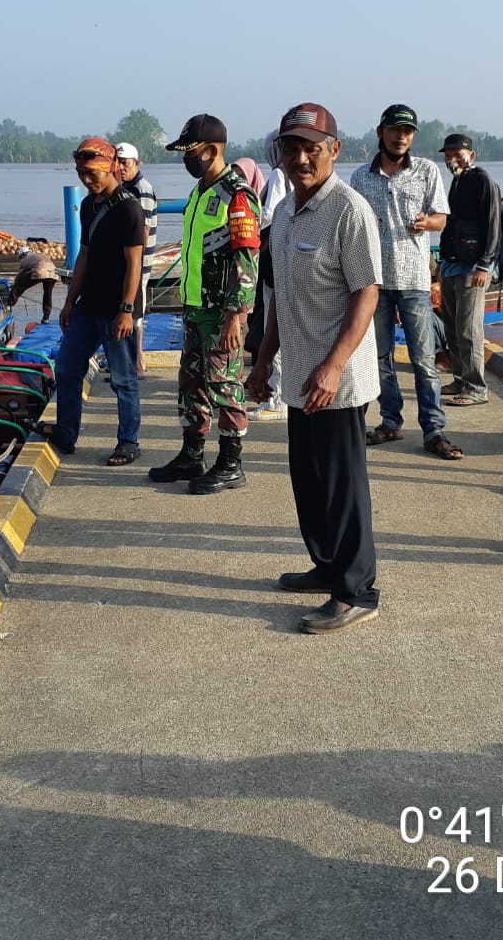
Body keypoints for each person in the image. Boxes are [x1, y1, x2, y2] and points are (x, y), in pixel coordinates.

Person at [245, 102, 382, 635]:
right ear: (278, 152)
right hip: (299, 375)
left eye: (312, 148)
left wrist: (332, 365)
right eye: (291, 147)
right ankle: (326, 567)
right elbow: (278, 296)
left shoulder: (349, 209)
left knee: (343, 486)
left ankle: (357, 590)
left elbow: (367, 293)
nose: (301, 158)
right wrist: (263, 363)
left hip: (338, 380)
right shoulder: (281, 215)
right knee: (310, 480)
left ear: (334, 151)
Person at [148, 114, 261, 495]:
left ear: (212, 151)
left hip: (222, 313)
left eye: (189, 152)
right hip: (195, 307)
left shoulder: (237, 195)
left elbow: (247, 261)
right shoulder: (200, 192)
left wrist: (236, 316)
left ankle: (231, 463)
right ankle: (191, 453)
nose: (185, 159)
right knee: (191, 383)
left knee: (225, 385)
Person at [349, 103, 459, 460]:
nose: (401, 137)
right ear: (380, 132)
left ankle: (433, 429)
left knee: (424, 359)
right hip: (375, 281)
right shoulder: (361, 177)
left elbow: (442, 218)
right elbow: (352, 226)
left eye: (408, 131)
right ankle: (390, 421)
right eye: (395, 130)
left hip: (413, 279)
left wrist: (428, 223)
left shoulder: (426, 171)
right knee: (380, 358)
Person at [38, 137, 145, 464]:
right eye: (82, 174)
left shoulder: (129, 208)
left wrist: (126, 311)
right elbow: (84, 254)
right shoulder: (89, 205)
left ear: (111, 166)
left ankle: (128, 441)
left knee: (123, 379)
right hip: (88, 305)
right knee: (68, 368)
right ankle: (66, 432)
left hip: (117, 309)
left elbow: (134, 264)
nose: (87, 180)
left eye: (92, 174)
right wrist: (70, 301)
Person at [436, 134, 501, 407]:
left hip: (473, 267)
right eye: (448, 154)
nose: (452, 159)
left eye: (457, 154)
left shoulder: (482, 181)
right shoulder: (456, 181)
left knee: (469, 329)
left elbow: (493, 224)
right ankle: (461, 378)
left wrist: (486, 264)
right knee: (451, 327)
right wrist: (440, 262)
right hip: (451, 264)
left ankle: (476, 386)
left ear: (471, 155)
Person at [247, 128, 289, 422]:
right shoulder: (292, 178)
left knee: (272, 328)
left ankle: (276, 399)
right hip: (284, 259)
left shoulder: (277, 175)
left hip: (272, 260)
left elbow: (269, 215)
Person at [115, 142, 158, 376]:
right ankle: (130, 360)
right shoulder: (126, 188)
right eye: (118, 162)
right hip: (128, 262)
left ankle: (137, 362)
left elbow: (143, 229)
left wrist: (135, 261)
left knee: (135, 312)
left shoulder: (141, 189)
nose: (121, 167)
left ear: (137, 164)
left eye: (126, 163)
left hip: (138, 263)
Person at [8, 246, 58, 323]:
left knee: (19, 286)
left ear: (23, 254)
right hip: (54, 273)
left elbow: (20, 275)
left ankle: (9, 304)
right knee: (47, 295)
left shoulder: (26, 258)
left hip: (41, 271)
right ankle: (46, 318)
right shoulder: (39, 255)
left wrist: (15, 285)